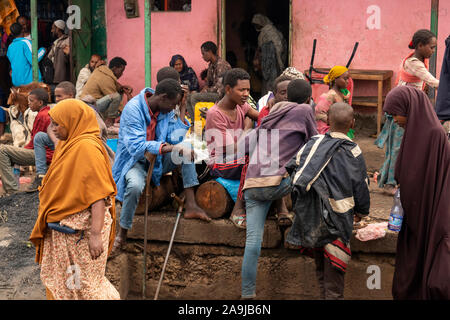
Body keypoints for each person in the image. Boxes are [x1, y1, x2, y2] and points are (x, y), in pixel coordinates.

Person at [29, 99, 120, 300]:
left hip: (83, 234)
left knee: (86, 287)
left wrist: (95, 235)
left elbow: (98, 196)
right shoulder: (69, 143)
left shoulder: (87, 149)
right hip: (65, 231)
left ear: (72, 121)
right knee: (68, 285)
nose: (52, 129)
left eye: (57, 124)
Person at [111, 78, 211, 253]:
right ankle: (123, 233)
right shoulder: (133, 109)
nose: (173, 108)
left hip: (157, 160)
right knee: (134, 186)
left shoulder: (165, 109)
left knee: (186, 148)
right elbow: (136, 147)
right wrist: (170, 147)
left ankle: (192, 206)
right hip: (135, 161)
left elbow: (175, 139)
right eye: (173, 105)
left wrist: (181, 110)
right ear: (163, 98)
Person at [240, 79, 317, 299]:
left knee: (252, 244)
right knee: (311, 177)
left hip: (253, 186)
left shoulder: (268, 114)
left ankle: (247, 295)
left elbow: (246, 146)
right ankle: (298, 233)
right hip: (278, 184)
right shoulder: (304, 111)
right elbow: (314, 144)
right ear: (309, 99)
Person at [285, 102, 370, 300]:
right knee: (334, 282)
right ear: (353, 124)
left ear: (328, 120)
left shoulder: (313, 144)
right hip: (339, 219)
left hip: (311, 218)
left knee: (321, 272)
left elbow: (294, 169)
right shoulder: (354, 151)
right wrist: (362, 212)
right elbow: (362, 186)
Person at [381, 86, 449, 300]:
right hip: (412, 218)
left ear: (410, 109)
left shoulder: (434, 135)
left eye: (395, 114)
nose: (394, 120)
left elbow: (430, 179)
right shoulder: (412, 134)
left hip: (428, 214)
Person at [375, 29, 439, 196]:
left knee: (399, 146)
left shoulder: (416, 60)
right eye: (431, 47)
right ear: (420, 45)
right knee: (397, 147)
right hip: (401, 111)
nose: (433, 51)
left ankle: (386, 177)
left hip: (407, 109)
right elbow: (432, 81)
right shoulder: (414, 63)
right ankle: (390, 183)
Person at [204, 68, 259, 229]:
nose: (246, 94)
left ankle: (280, 208)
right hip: (220, 163)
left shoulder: (241, 106)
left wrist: (272, 109)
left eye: (248, 90)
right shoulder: (216, 114)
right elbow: (231, 149)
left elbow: (262, 117)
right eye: (241, 90)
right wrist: (248, 129)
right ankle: (237, 209)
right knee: (252, 159)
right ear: (228, 89)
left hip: (237, 158)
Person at [0, 88, 53, 195]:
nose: (28, 103)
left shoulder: (42, 116)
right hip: (45, 153)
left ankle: (11, 190)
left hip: (43, 155)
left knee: (2, 150)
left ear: (40, 102)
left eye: (31, 101)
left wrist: (19, 154)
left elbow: (34, 143)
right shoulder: (46, 113)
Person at [80, 57, 133, 127]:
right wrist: (128, 113)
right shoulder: (105, 77)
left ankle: (109, 121)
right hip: (89, 106)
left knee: (118, 95)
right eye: (121, 71)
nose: (121, 74)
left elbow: (116, 87)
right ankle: (110, 122)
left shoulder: (103, 72)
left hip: (94, 104)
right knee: (116, 96)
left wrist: (124, 90)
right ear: (115, 68)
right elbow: (113, 95)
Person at [186, 41, 231, 121]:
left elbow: (219, 87)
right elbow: (208, 83)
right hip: (213, 93)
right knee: (188, 97)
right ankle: (194, 123)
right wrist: (202, 91)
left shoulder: (222, 65)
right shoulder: (211, 65)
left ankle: (199, 124)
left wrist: (204, 92)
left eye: (203, 53)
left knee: (194, 97)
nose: (202, 57)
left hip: (222, 96)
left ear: (210, 52)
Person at [252, 14, 287, 95]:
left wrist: (278, 59)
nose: (256, 26)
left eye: (257, 24)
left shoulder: (270, 31)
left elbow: (279, 46)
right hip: (267, 62)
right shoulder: (263, 32)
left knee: (273, 81)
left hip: (273, 61)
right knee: (267, 81)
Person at [315, 66, 351, 134]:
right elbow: (318, 112)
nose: (347, 81)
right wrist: (333, 123)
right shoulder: (329, 96)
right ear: (335, 79)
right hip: (328, 131)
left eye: (348, 79)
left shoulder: (341, 94)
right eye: (345, 79)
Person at [48, 20, 70, 84]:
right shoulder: (57, 41)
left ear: (58, 29)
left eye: (53, 28)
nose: (51, 31)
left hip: (61, 76)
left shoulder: (66, 41)